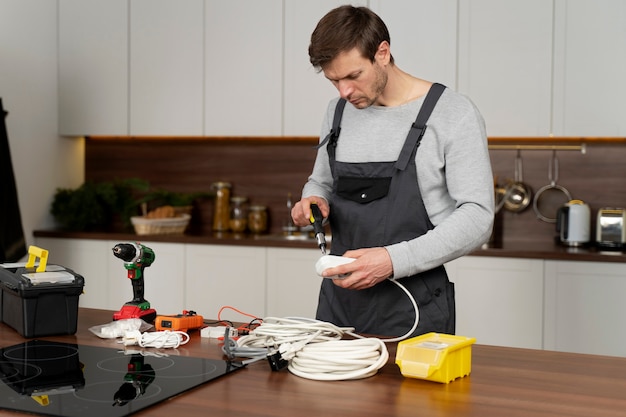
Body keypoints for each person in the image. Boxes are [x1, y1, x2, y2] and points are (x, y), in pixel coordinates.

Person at [291, 5, 494, 338]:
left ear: (382, 53)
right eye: (334, 80)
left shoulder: (452, 113)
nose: (344, 92)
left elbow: (478, 218)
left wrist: (391, 261)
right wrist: (312, 198)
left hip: (415, 306)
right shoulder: (337, 112)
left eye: (353, 76)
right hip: (340, 303)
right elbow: (321, 181)